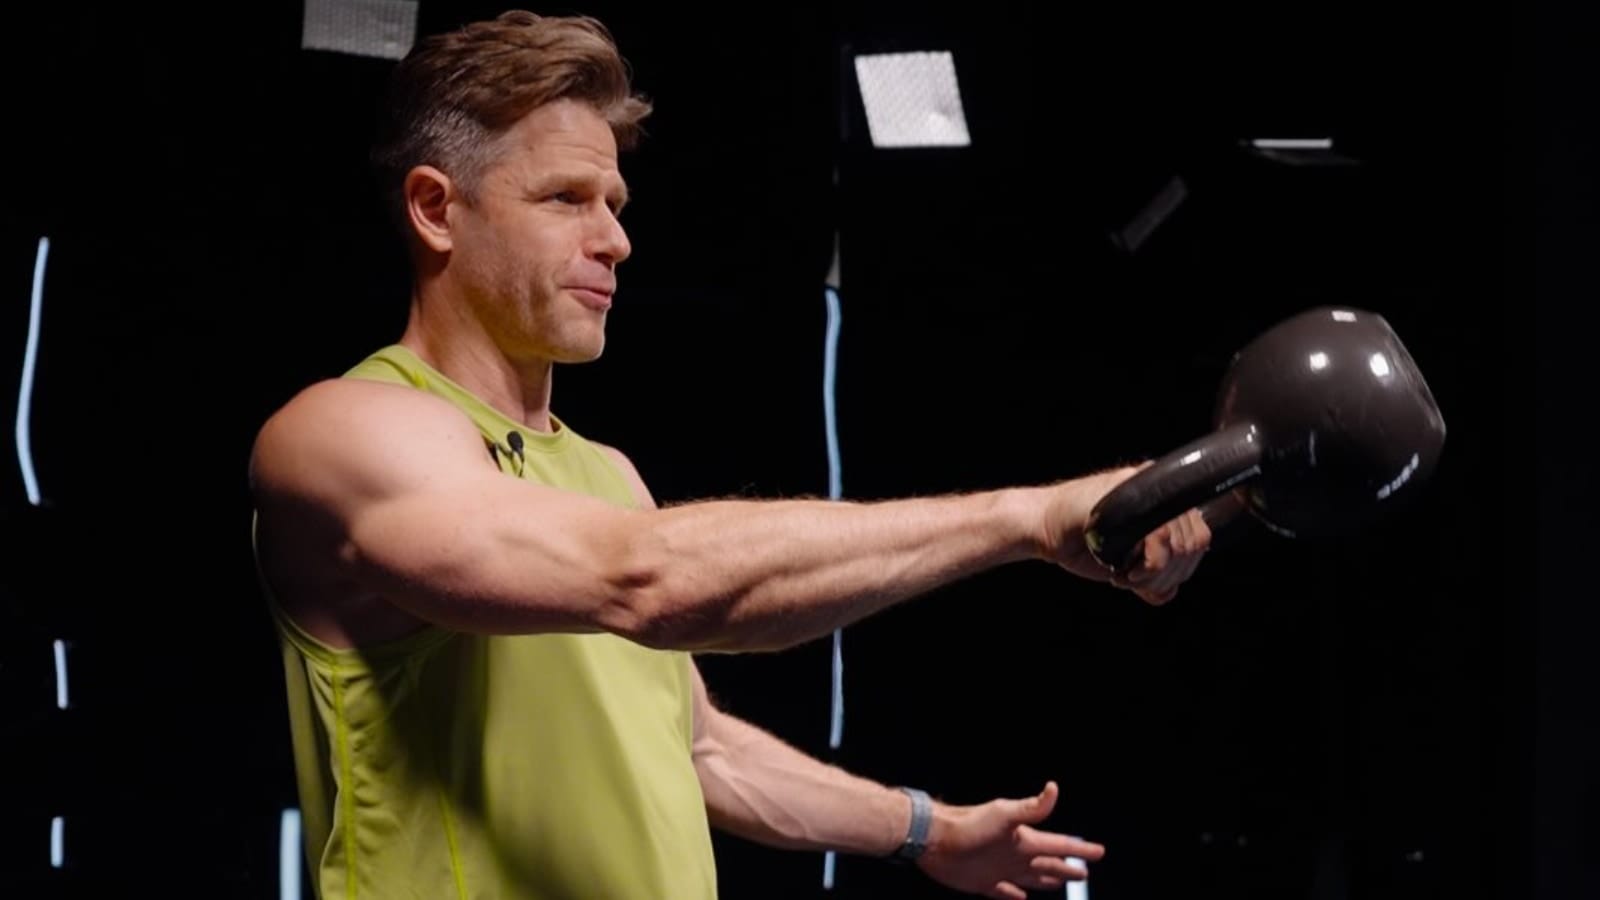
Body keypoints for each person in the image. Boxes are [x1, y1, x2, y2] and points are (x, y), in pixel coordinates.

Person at [247, 10, 1212, 900]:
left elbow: (703, 750)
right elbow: (646, 580)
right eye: (565, 198)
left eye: (615, 202)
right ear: (434, 209)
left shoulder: (606, 476)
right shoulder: (346, 432)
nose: (615, 240)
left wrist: (927, 829)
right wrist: (1028, 518)